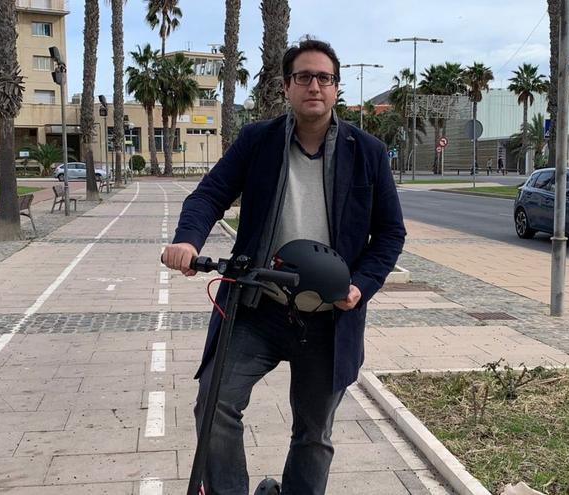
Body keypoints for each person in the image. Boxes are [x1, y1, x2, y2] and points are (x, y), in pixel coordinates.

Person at [161, 37, 406, 495]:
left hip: (331, 316)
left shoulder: (367, 151)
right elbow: (210, 194)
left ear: (336, 88)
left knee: (314, 436)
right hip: (258, 308)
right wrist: (187, 240)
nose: (314, 85)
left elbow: (391, 233)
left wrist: (361, 285)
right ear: (286, 87)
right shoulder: (259, 141)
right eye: (303, 77)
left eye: (324, 78)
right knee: (214, 404)